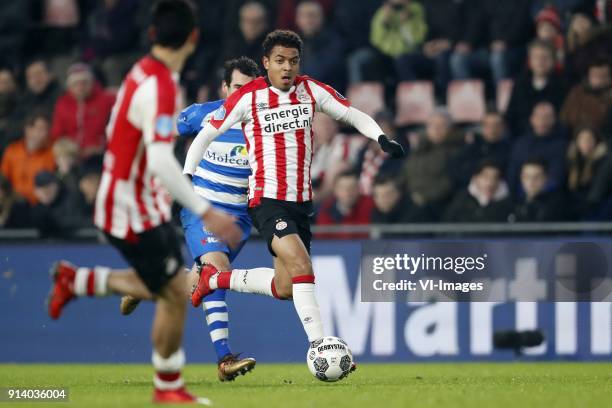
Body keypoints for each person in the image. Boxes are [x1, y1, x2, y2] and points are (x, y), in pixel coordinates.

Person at [46, 1, 241, 404]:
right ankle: (168, 388)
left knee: (173, 285)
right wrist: (206, 211)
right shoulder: (164, 87)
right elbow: (158, 160)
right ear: (193, 37)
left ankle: (77, 280)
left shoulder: (139, 73)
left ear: (152, 35)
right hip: (130, 204)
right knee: (175, 292)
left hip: (127, 197)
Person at [185, 30, 404, 351]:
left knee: (287, 286)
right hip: (266, 200)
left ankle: (214, 279)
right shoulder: (248, 98)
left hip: (301, 204)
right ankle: (321, 346)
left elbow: (350, 113)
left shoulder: (310, 91)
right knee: (302, 266)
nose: (287, 68)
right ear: (266, 63)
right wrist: (188, 174)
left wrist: (381, 137)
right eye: (279, 61)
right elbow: (206, 133)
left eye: (293, 61)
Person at [120, 56, 260, 382]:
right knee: (217, 274)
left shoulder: (264, 125)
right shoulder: (203, 114)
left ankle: (144, 284)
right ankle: (224, 359)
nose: (244, 93)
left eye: (251, 88)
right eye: (238, 87)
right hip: (203, 210)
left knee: (203, 282)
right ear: (225, 87)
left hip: (240, 219)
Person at [50, 63, 116, 157]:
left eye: (84, 82)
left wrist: (101, 146)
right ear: (69, 86)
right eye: (76, 84)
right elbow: (57, 133)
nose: (80, 87)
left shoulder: (106, 100)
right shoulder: (62, 104)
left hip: (100, 152)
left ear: (92, 83)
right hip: (72, 154)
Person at [1, 113, 56, 205]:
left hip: (39, 204)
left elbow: (50, 185)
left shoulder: (53, 153)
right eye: (40, 129)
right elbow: (3, 179)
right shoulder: (12, 150)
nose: (45, 133)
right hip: (12, 202)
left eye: (47, 129)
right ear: (28, 130)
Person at [444, 160, 513, 223]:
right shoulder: (461, 201)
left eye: (495, 177)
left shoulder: (508, 206)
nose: (490, 183)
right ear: (475, 178)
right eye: (485, 177)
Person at [315, 170, 374, 239]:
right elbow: (321, 242)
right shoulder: (325, 209)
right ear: (335, 190)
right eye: (342, 188)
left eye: (352, 187)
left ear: (358, 189)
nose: (347, 191)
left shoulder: (369, 204)